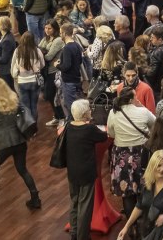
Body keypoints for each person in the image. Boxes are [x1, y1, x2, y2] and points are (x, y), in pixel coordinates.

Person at [0, 78, 42, 209]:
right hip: (20, 141)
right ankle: (35, 198)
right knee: (22, 170)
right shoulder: (14, 102)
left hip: (2, 144)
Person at [59, 99, 108, 240]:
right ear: (85, 113)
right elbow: (103, 136)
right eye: (89, 110)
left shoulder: (68, 127)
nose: (91, 111)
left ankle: (74, 233)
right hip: (86, 173)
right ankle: (83, 236)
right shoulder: (89, 129)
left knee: (74, 202)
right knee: (85, 206)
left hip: (72, 172)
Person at [119, 149, 163, 240]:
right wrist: (126, 227)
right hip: (145, 231)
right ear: (152, 166)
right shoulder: (147, 184)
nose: (162, 169)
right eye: (159, 165)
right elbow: (139, 205)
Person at [108, 87, 156, 218]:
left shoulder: (113, 113)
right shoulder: (143, 112)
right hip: (141, 154)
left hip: (121, 154)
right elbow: (155, 125)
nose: (138, 99)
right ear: (130, 99)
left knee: (126, 191)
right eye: (135, 97)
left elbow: (111, 133)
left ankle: (131, 225)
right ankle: (145, 221)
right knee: (143, 188)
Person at [0, 16, 18, 89]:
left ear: (2, 26)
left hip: (6, 70)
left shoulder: (6, 40)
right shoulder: (6, 36)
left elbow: (4, 59)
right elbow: (0, 50)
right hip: (5, 69)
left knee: (7, 89)